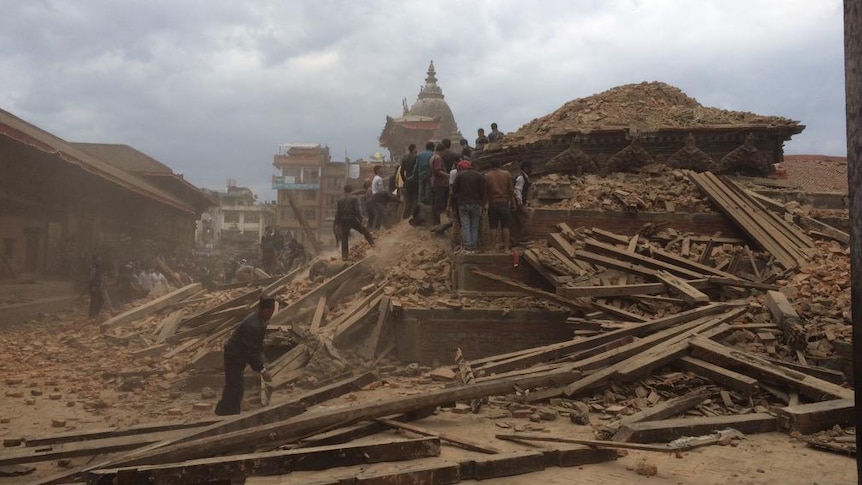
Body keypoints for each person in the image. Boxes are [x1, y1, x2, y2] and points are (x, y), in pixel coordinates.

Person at [215, 296, 276, 416]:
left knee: (234, 385)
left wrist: (262, 359)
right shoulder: (252, 325)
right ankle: (230, 414)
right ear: (262, 310)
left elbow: (256, 345)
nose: (271, 315)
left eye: (272, 312)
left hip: (240, 353)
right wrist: (262, 370)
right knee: (236, 386)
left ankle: (223, 411)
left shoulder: (260, 320)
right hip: (233, 355)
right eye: (269, 312)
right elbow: (250, 351)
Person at [450, 160, 487, 253]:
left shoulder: (460, 175)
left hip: (462, 204)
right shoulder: (479, 176)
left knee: (466, 225)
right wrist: (483, 204)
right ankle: (473, 247)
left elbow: (453, 191)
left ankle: (468, 247)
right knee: (475, 225)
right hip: (476, 203)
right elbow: (484, 192)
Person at [334, 184, 375, 261]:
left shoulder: (340, 200)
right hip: (351, 218)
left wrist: (337, 224)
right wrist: (361, 220)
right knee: (364, 231)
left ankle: (345, 256)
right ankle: (373, 245)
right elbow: (357, 211)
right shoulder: (354, 198)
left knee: (344, 238)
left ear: (344, 190)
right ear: (351, 190)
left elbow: (338, 213)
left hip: (343, 220)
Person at [485, 161, 515, 252]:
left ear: (491, 166)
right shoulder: (507, 174)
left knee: (493, 226)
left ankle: (493, 248)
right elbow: (511, 189)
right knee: (506, 226)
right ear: (500, 165)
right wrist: (513, 202)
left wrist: (485, 204)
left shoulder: (487, 176)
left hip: (493, 203)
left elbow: (486, 191)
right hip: (504, 202)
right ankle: (506, 248)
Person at [429, 144, 450, 225]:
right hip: (439, 183)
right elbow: (438, 170)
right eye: (444, 152)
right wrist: (448, 175)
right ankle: (436, 222)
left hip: (434, 182)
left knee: (436, 203)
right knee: (438, 204)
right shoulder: (438, 158)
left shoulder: (432, 157)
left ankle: (435, 221)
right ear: (440, 151)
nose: (444, 154)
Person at [513, 160, 533, 241]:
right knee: (526, 219)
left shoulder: (523, 177)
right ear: (526, 168)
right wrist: (520, 201)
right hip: (519, 203)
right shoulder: (521, 177)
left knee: (518, 221)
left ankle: (516, 239)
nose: (531, 170)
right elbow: (517, 190)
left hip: (519, 202)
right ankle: (525, 239)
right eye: (530, 168)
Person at [399, 144, 418, 218]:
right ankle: (414, 215)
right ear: (414, 149)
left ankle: (405, 216)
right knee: (415, 198)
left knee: (408, 200)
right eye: (416, 149)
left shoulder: (404, 158)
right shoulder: (416, 157)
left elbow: (401, 171)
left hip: (407, 181)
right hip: (415, 180)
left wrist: (405, 180)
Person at [412, 141, 435, 205]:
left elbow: (416, 166)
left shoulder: (419, 155)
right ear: (432, 147)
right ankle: (427, 202)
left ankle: (420, 203)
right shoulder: (433, 154)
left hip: (421, 174)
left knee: (421, 188)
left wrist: (414, 175)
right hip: (429, 174)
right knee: (428, 188)